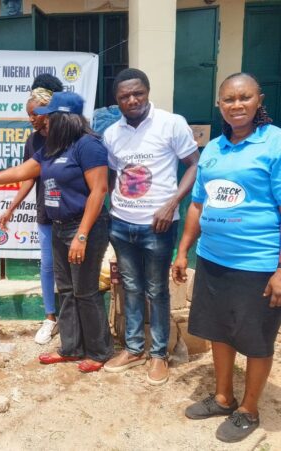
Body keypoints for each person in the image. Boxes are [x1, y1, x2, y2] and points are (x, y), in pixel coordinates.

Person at [0, 92, 113, 373]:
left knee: (85, 291)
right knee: (66, 290)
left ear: (65, 118)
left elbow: (99, 191)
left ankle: (99, 351)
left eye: (48, 116)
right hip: (59, 227)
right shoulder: (53, 147)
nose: (44, 121)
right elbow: (21, 172)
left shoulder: (88, 146)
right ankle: (71, 348)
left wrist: (82, 235)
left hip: (84, 228)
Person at [172, 73, 281, 443]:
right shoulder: (214, 149)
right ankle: (223, 397)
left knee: (255, 340)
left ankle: (249, 410)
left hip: (258, 264)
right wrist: (183, 250)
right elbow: (197, 205)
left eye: (244, 97)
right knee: (220, 331)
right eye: (229, 100)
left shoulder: (274, 143)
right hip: (213, 260)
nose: (237, 105)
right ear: (219, 104)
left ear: (259, 100)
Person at [102, 68, 200, 385]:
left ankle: (159, 354)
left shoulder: (171, 123)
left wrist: (172, 203)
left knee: (157, 290)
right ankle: (133, 349)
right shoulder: (112, 134)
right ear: (117, 100)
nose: (132, 100)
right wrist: (112, 209)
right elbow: (116, 174)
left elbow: (194, 165)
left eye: (138, 93)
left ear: (147, 92)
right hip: (122, 225)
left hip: (158, 226)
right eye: (125, 96)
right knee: (131, 287)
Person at [0, 74, 62, 345]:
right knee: (47, 265)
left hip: (72, 214)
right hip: (46, 213)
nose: (31, 119)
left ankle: (73, 319)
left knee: (71, 267)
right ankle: (50, 318)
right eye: (29, 114)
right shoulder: (33, 141)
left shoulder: (72, 136)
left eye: (34, 114)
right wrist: (11, 208)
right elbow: (28, 177)